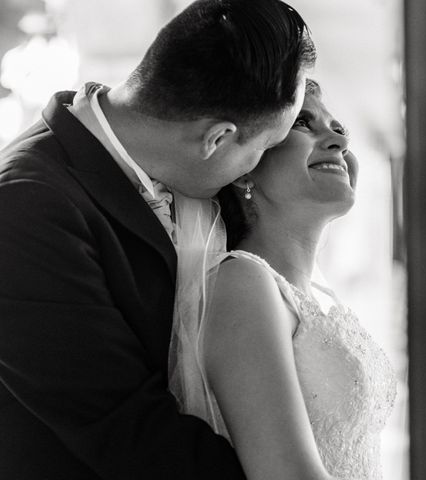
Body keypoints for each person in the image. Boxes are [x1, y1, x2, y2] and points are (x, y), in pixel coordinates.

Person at [0, 0, 315, 478]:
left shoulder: (188, 179)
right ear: (217, 138)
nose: (259, 167)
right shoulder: (25, 205)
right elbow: (122, 429)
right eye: (265, 147)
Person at [169, 80, 397, 480]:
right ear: (245, 166)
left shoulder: (320, 296)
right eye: (304, 124)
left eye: (340, 130)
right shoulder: (243, 281)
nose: (338, 142)